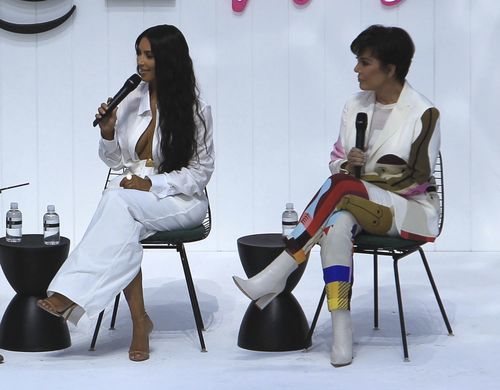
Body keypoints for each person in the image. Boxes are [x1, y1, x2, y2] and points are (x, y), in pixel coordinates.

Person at [233, 25, 440, 367]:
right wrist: (347, 163)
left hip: (410, 211)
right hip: (357, 204)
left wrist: (360, 175)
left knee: (342, 188)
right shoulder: (354, 105)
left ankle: (279, 270)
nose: (356, 69)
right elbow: (335, 160)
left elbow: (416, 180)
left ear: (390, 69)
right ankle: (341, 328)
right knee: (337, 223)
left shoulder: (423, 112)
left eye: (364, 62)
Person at [37, 25, 215, 362]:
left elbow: (201, 173)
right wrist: (107, 133)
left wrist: (153, 184)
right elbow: (116, 161)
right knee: (123, 222)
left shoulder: (196, 110)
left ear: (168, 59)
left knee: (117, 204)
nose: (140, 62)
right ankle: (138, 322)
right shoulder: (131, 100)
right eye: (138, 53)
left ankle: (69, 294)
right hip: (133, 196)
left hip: (182, 200)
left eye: (148, 55)